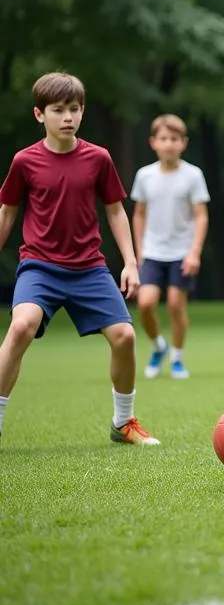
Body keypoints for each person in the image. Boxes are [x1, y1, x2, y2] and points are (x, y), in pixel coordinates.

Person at [0, 73, 159, 445]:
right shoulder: (25, 161)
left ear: (82, 111)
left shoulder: (98, 158)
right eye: (58, 110)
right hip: (39, 266)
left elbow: (116, 211)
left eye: (74, 109)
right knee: (21, 326)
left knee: (124, 336)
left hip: (89, 267)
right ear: (40, 114)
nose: (67, 117)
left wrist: (131, 262)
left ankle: (123, 423)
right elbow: (7, 212)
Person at [131, 114, 210, 380]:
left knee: (176, 304)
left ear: (183, 143)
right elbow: (139, 214)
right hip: (152, 252)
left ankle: (177, 357)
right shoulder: (145, 176)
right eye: (163, 139)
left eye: (174, 139)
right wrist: (139, 250)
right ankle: (158, 347)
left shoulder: (193, 175)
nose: (169, 144)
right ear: (153, 142)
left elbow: (201, 215)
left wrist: (194, 251)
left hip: (181, 252)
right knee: (145, 303)